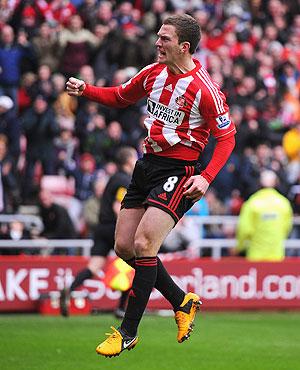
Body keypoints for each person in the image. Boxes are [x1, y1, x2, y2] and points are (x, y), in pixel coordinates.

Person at [66, 14, 236, 357]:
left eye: (165, 39)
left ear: (183, 47)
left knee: (145, 243)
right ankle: (181, 301)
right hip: (147, 166)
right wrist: (87, 91)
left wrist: (205, 178)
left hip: (181, 170)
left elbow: (227, 137)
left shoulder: (204, 88)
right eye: (158, 37)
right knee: (124, 246)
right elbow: (120, 96)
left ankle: (127, 331)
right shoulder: (153, 73)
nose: (157, 43)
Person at [59, 146, 138, 318]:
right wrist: (129, 228)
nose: (137, 160)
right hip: (114, 228)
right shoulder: (124, 180)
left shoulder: (112, 178)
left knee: (94, 267)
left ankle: (70, 289)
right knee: (136, 265)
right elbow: (118, 207)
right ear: (128, 160)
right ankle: (121, 308)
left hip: (101, 228)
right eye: (134, 157)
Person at [234, 170, 293, 261]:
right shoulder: (283, 203)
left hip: (255, 256)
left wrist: (240, 247)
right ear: (276, 183)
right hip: (276, 256)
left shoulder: (252, 202)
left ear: (259, 183)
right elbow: (286, 228)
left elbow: (244, 229)